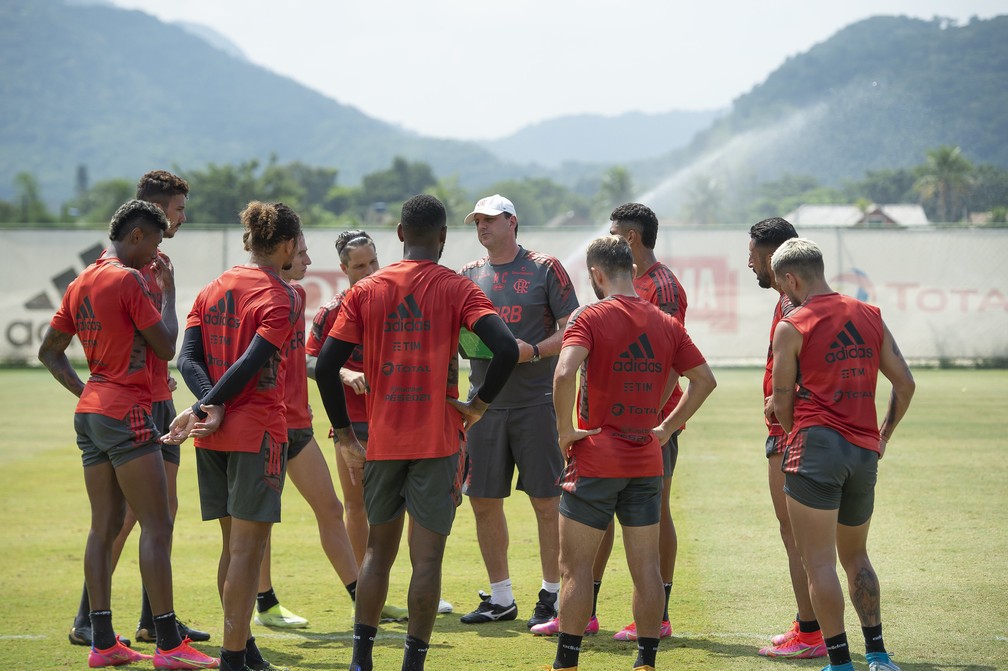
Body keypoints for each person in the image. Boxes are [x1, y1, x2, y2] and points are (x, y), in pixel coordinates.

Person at [315, 194, 519, 671]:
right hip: (438, 443)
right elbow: (506, 349)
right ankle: (413, 664)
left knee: (376, 554)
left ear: (401, 235)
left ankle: (361, 660)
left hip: (382, 442)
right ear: (444, 237)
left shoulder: (366, 291)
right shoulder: (458, 287)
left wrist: (346, 437)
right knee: (426, 561)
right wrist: (479, 404)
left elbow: (326, 367)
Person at [38, 200, 217, 669]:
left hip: (93, 412)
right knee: (156, 525)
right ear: (137, 236)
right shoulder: (131, 278)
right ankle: (168, 645)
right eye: (156, 243)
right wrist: (170, 292)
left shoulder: (81, 280)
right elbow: (166, 346)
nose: (158, 254)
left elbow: (49, 351)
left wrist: (89, 391)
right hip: (128, 413)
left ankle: (101, 642)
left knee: (104, 527)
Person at [548, 235, 716, 671]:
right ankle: (645, 662)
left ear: (596, 275)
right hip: (645, 458)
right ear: (634, 272)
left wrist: (566, 429)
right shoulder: (665, 322)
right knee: (646, 567)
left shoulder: (589, 316)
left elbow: (565, 373)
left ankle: (566, 663)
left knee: (575, 569)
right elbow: (703, 380)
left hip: (596, 458)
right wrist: (664, 427)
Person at [163, 201, 303, 671]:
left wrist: (205, 404)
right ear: (285, 245)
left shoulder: (213, 287)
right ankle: (234, 655)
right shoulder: (281, 296)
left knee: (232, 548)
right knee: (248, 551)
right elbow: (252, 363)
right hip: (256, 432)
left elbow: (187, 360)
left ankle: (241, 647)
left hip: (213, 435)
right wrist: (214, 404)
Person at [770, 238, 915, 671]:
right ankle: (878, 655)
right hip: (863, 451)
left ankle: (839, 662)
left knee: (818, 562)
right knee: (857, 557)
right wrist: (883, 435)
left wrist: (800, 433)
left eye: (783, 286)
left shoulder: (792, 324)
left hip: (815, 448)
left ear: (792, 278)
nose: (784, 295)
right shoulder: (869, 314)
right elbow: (905, 384)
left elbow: (779, 402)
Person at [458, 194, 579, 629]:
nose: (482, 227)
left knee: (547, 503)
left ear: (513, 221)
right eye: (477, 221)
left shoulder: (546, 268)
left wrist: (529, 352)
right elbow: (461, 335)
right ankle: (501, 597)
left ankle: (551, 595)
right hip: (484, 406)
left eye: (490, 220)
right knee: (484, 502)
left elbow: (570, 330)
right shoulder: (469, 274)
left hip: (536, 404)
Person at [569, 203, 687, 642]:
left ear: (631, 238)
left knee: (655, 513)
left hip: (649, 426)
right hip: (612, 426)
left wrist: (652, 415)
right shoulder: (631, 283)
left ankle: (658, 618)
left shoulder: (662, 286)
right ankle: (587, 612)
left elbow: (676, 358)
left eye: (615, 230)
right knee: (595, 517)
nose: (611, 235)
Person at [251, 233, 363, 630]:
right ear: (281, 253)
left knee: (330, 509)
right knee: (259, 519)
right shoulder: (267, 296)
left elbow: (308, 359)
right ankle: (264, 603)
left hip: (298, 423)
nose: (308, 260)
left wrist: (340, 372)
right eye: (300, 253)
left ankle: (361, 599)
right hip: (267, 425)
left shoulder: (294, 296)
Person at [302, 230, 410, 623]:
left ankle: (413, 588)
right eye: (359, 265)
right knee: (358, 506)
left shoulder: (397, 299)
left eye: (373, 262)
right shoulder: (334, 310)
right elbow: (308, 360)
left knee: (407, 504)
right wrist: (343, 371)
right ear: (344, 269)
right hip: (354, 424)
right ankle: (368, 592)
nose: (368, 271)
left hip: (400, 417)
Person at [747, 217, 826, 658]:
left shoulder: (795, 305)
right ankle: (806, 620)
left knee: (796, 535)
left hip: (790, 433)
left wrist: (785, 402)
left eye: (755, 256)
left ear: (776, 256)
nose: (749, 263)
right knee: (793, 533)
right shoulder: (788, 300)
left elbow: (810, 367)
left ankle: (812, 634)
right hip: (786, 429)